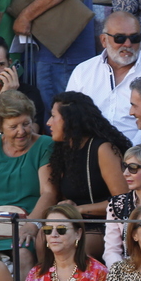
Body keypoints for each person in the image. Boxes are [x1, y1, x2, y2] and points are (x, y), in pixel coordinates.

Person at [0, 90, 56, 269]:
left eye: (26, 124)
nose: (21, 132)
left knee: (22, 254)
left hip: (25, 229)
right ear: (1, 127)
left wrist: (32, 224)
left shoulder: (45, 145)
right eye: (13, 127)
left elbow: (49, 192)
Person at [47, 92, 131, 260]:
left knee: (76, 249)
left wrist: (80, 210)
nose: (48, 123)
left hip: (105, 225)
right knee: (43, 242)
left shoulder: (102, 149)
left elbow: (124, 201)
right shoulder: (62, 150)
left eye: (53, 116)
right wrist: (67, 204)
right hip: (76, 223)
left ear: (70, 120)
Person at [65, 12, 141, 143]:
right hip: (88, 151)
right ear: (104, 40)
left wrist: (129, 153)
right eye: (120, 38)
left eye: (134, 38)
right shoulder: (83, 71)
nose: (128, 44)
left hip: (136, 155)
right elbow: (69, 116)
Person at [26, 203, 109, 281]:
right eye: (48, 230)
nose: (53, 235)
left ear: (78, 234)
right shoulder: (35, 273)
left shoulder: (98, 272)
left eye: (61, 229)